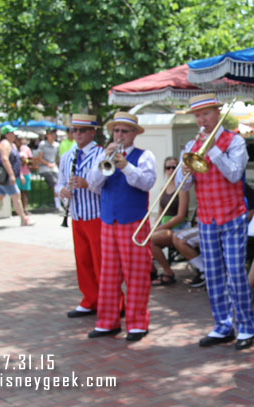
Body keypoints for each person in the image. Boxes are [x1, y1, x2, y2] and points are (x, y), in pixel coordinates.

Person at [175, 93, 254, 350]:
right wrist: (185, 172)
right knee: (213, 275)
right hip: (207, 218)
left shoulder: (235, 141)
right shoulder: (190, 146)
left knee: (235, 273)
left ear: (217, 114)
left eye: (206, 114)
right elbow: (182, 185)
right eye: (198, 115)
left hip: (232, 215)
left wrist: (213, 150)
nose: (202, 120)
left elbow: (234, 174)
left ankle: (245, 327)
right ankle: (222, 325)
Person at [86, 112, 156, 342]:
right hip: (108, 220)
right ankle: (107, 322)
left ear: (134, 134)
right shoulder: (104, 155)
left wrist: (125, 166)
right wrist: (102, 163)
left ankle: (137, 324)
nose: (119, 135)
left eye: (124, 131)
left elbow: (146, 183)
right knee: (108, 274)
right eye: (116, 131)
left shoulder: (145, 156)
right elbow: (94, 186)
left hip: (133, 221)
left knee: (136, 273)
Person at [55, 114, 105, 318]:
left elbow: (108, 186)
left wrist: (88, 184)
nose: (77, 134)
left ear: (92, 132)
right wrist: (61, 191)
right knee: (83, 260)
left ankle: (112, 301)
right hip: (76, 215)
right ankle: (89, 300)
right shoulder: (67, 156)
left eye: (82, 130)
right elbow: (59, 182)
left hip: (97, 215)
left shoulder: (101, 154)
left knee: (101, 262)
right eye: (74, 130)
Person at [151, 156, 190, 286]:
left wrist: (159, 229)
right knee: (142, 239)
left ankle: (168, 273)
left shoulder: (182, 188)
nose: (171, 170)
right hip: (164, 226)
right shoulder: (164, 188)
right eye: (168, 167)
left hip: (178, 227)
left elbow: (180, 216)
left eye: (174, 167)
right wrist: (155, 226)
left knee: (149, 241)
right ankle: (151, 270)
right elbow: (160, 213)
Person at [0, 125, 34, 227]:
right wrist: (11, 175)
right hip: (5, 176)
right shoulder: (5, 144)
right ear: (6, 134)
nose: (14, 135)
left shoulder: (12, 145)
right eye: (11, 133)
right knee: (16, 196)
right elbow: (4, 159)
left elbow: (16, 161)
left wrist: (19, 174)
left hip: (6, 176)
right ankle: (23, 218)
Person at [37, 127, 61, 211]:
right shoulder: (42, 144)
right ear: (47, 135)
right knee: (55, 184)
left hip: (54, 167)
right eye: (51, 134)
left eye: (54, 134)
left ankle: (63, 203)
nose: (53, 136)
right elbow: (39, 158)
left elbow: (57, 158)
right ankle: (58, 205)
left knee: (61, 182)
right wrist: (48, 164)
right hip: (45, 168)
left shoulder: (57, 145)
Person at [15, 134, 33, 213]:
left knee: (24, 192)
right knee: (16, 193)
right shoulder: (13, 148)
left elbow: (31, 161)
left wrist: (25, 161)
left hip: (25, 172)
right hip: (16, 173)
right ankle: (18, 210)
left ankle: (25, 209)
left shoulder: (26, 149)